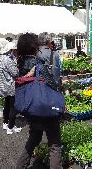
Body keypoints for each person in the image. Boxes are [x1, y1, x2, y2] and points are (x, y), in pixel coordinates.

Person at [16, 33, 62, 169]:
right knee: (54, 144)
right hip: (45, 105)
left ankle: (21, 166)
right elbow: (51, 84)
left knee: (34, 138)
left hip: (31, 106)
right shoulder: (37, 63)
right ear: (33, 45)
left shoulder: (20, 62)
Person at [0, 41, 21, 134]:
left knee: (7, 105)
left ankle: (5, 122)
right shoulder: (7, 59)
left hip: (2, 86)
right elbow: (15, 73)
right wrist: (16, 63)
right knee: (13, 107)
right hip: (9, 86)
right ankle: (11, 127)